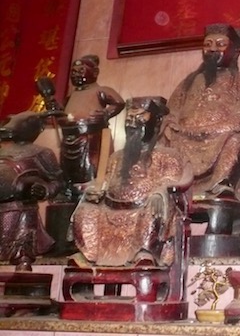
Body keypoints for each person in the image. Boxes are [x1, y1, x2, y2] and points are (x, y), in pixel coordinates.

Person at [160, 23, 240, 235]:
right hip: (185, 139)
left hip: (222, 137)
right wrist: (171, 125)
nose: (213, 49)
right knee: (163, 141)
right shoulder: (189, 82)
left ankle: (220, 184)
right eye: (207, 44)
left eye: (220, 44)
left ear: (235, 51)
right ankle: (171, 191)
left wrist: (209, 130)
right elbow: (171, 111)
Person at [70, 97, 192, 267]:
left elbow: (176, 182)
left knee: (155, 206)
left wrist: (160, 193)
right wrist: (92, 189)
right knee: (85, 209)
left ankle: (145, 252)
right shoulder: (116, 157)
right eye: (129, 119)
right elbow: (105, 180)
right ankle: (88, 254)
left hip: (145, 207)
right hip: (111, 209)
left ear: (156, 121)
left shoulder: (168, 156)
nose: (133, 124)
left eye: (140, 118)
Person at [0, 111, 62, 269]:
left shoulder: (41, 153)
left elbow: (57, 181)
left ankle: (23, 271)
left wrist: (45, 189)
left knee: (23, 249)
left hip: (23, 210)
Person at [57, 55, 125, 198]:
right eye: (73, 72)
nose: (76, 75)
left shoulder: (101, 91)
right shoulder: (71, 96)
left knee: (91, 169)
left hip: (91, 137)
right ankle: (69, 192)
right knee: (68, 172)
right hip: (69, 138)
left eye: (81, 70)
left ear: (94, 73)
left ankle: (91, 193)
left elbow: (119, 103)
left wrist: (105, 113)